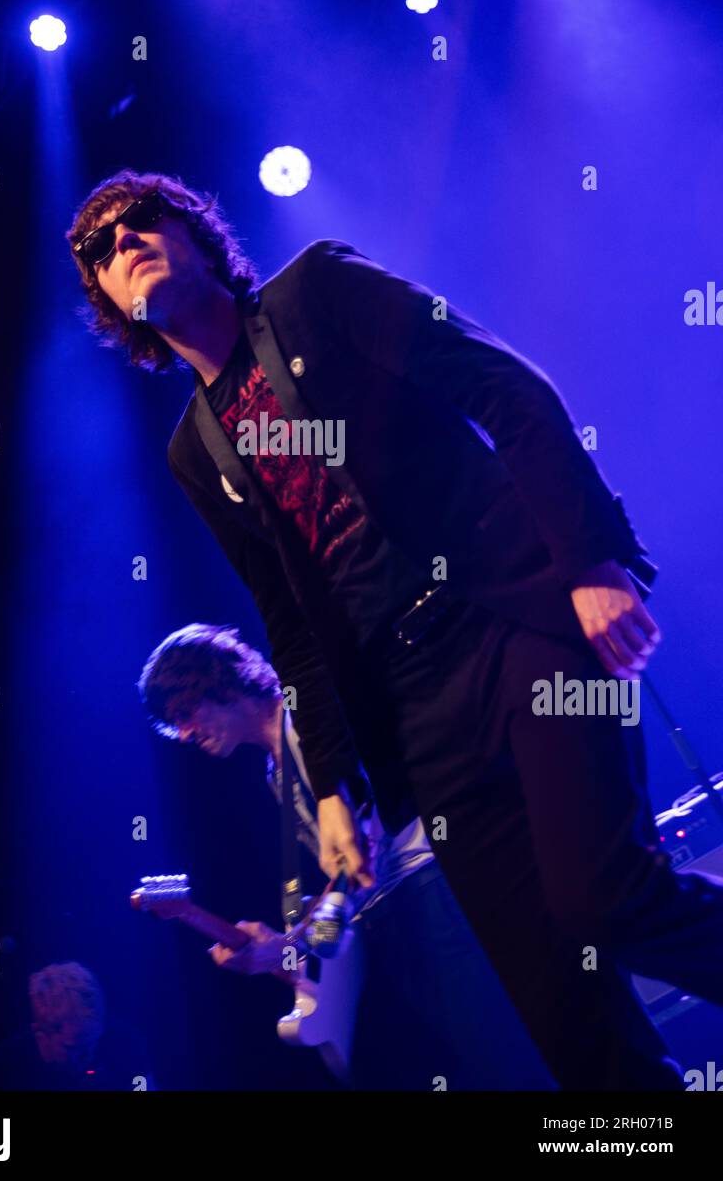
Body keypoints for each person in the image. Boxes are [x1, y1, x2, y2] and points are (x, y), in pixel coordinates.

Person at [65, 169, 723, 1089]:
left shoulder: (316, 291)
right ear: (105, 300)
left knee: (604, 894)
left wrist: (587, 561)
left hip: (511, 620)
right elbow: (288, 620)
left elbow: (505, 388)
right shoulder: (192, 450)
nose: (123, 241)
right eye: (100, 247)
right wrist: (332, 784)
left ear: (199, 235)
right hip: (413, 715)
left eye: (142, 220)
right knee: (554, 1002)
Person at [137, 621, 553, 1089]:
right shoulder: (276, 773)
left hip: (430, 889)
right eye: (175, 726)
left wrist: (293, 943)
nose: (185, 733)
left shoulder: (310, 726)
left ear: (215, 681)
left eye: (183, 711)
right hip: (393, 914)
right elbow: (342, 883)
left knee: (511, 1056)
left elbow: (364, 852)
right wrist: (290, 943)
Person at [0, 961, 155, 1091]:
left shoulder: (126, 1043)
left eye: (94, 1041)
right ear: (41, 1036)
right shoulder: (6, 1068)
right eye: (73, 1048)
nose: (89, 1055)